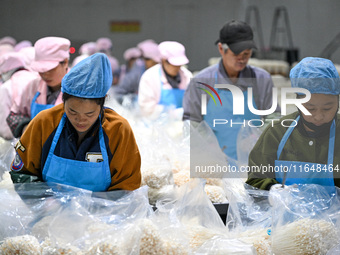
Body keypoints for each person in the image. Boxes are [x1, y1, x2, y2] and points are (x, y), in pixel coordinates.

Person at [10, 53, 142, 192]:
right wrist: (44, 203)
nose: (80, 120)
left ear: (103, 101)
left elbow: (128, 187)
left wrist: (98, 209)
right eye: (72, 111)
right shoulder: (44, 122)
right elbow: (22, 173)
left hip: (101, 212)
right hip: (50, 212)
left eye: (89, 114)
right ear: (63, 101)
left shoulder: (118, 130)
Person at [182, 20, 278, 160]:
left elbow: (274, 117)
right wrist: (209, 147)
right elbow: (191, 123)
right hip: (213, 163)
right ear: (221, 49)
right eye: (236, 54)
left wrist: (257, 137)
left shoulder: (261, 80)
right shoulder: (202, 82)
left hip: (253, 162)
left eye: (246, 54)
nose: (242, 59)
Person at [246, 57, 340, 190]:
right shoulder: (277, 133)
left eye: (327, 108)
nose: (318, 116)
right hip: (285, 210)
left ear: (338, 101)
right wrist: (272, 191)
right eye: (310, 108)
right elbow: (255, 179)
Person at [6, 36, 70, 138]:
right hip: (35, 147)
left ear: (65, 62)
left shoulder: (78, 88)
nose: (45, 75)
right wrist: (25, 127)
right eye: (41, 70)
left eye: (50, 69)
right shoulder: (33, 86)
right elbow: (13, 115)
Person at [138, 41, 192, 118]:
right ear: (163, 61)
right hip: (157, 126)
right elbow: (146, 109)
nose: (177, 68)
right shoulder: (150, 77)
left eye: (179, 65)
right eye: (174, 64)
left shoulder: (187, 75)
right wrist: (170, 113)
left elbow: (194, 103)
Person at [0, 52, 39, 140]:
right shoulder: (37, 81)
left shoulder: (6, 87)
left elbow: (6, 132)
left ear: (5, 71)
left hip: (17, 143)